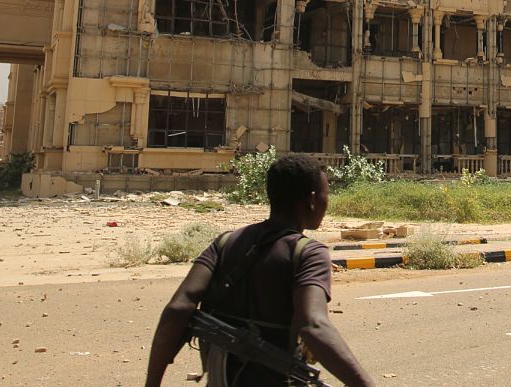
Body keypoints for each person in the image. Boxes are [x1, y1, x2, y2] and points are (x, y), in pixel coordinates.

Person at [145, 154, 375, 387]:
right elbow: (314, 326)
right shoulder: (308, 253)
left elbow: (177, 309)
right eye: (327, 193)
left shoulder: (225, 243)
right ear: (312, 199)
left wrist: (152, 384)